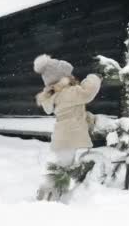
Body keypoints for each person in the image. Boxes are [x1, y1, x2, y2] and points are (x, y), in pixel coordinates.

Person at [33, 54, 101, 200]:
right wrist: (94, 77)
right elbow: (87, 92)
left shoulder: (56, 94)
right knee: (62, 168)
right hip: (68, 137)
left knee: (62, 166)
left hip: (63, 137)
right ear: (61, 78)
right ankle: (48, 195)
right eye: (68, 75)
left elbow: (74, 111)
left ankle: (51, 193)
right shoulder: (68, 92)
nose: (72, 77)